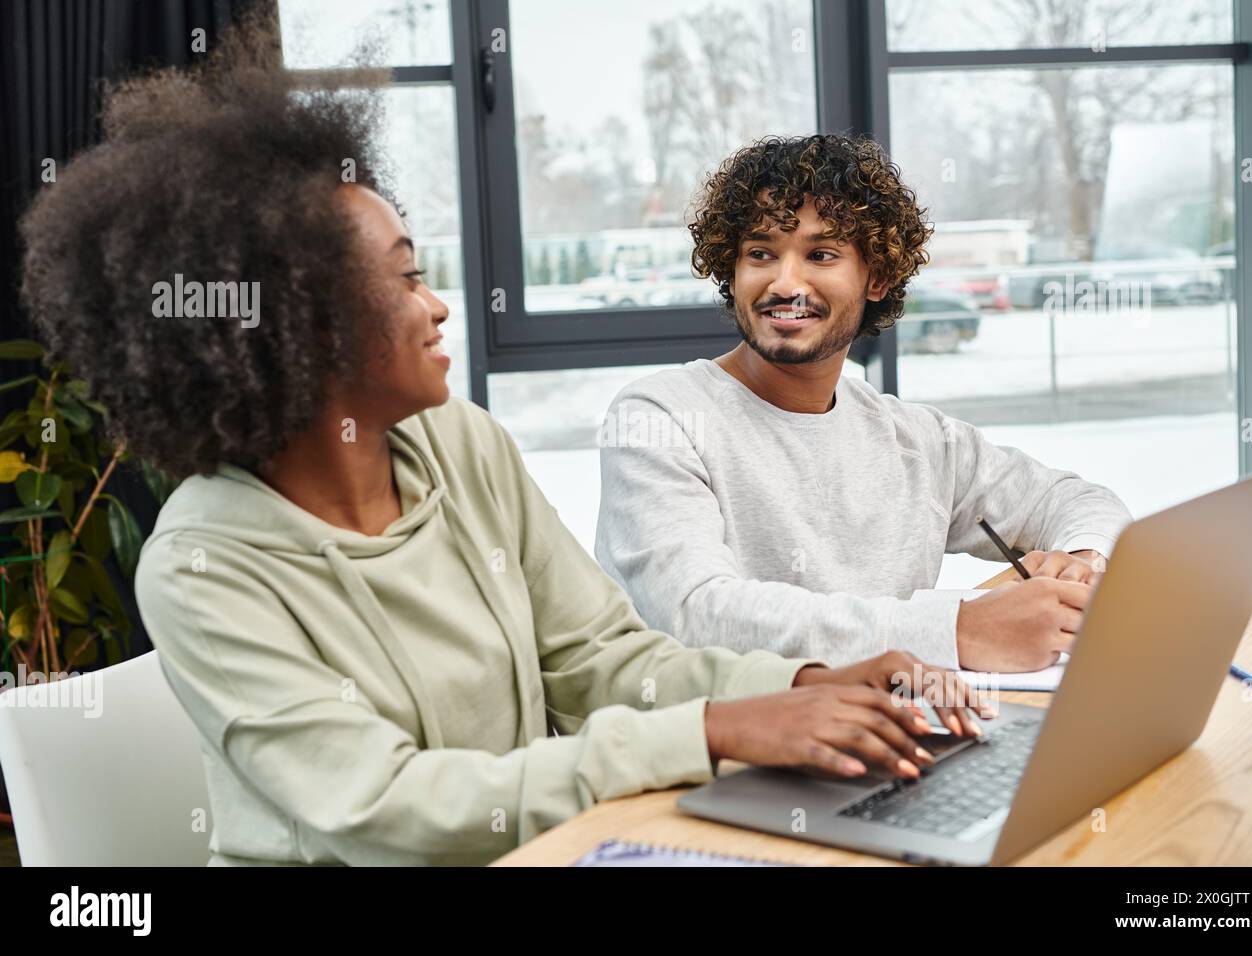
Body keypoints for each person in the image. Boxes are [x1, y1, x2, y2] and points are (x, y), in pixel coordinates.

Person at [18, 19, 988, 866]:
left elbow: (599, 657)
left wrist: (799, 684)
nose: (438, 306)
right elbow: (385, 807)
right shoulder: (206, 560)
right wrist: (711, 728)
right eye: (401, 280)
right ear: (293, 325)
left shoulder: (459, 446)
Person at [595, 134, 1132, 673]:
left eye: (820, 255)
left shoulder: (915, 439)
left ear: (876, 277)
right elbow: (695, 614)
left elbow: (1074, 501)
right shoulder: (659, 418)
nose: (785, 283)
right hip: (726, 751)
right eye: (760, 253)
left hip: (891, 731)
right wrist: (960, 629)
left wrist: (1081, 562)